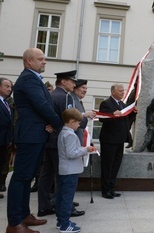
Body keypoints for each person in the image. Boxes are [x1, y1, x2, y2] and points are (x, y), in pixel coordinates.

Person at [6, 48, 62, 233]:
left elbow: (43, 105)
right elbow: (41, 104)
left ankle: (24, 215)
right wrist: (58, 122)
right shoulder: (29, 78)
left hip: (36, 134)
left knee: (27, 177)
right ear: (29, 61)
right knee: (21, 177)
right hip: (30, 135)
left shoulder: (33, 78)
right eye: (40, 59)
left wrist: (52, 124)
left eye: (44, 59)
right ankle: (14, 223)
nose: (44, 62)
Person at [38, 70, 85, 218]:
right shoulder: (65, 97)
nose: (74, 84)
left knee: (46, 175)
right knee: (62, 178)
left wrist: (53, 124)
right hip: (61, 141)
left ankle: (44, 207)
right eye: (71, 81)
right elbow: (69, 118)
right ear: (63, 82)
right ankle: (66, 208)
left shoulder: (51, 95)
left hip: (50, 140)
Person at [56, 108, 95, 233]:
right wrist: (86, 150)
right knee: (67, 198)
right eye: (78, 122)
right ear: (72, 121)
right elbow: (71, 153)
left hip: (64, 170)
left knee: (61, 197)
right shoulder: (70, 135)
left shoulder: (63, 132)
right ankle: (65, 225)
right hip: (70, 171)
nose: (79, 125)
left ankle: (61, 221)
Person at [99, 83, 131, 199]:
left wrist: (133, 113)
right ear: (113, 92)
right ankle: (105, 190)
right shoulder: (106, 103)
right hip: (109, 140)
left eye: (123, 91)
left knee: (116, 166)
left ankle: (111, 188)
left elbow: (126, 120)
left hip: (120, 140)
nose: (123, 93)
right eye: (120, 91)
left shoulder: (122, 104)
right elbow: (102, 118)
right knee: (107, 166)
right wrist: (112, 114)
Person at [69, 79, 96, 145]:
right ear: (75, 89)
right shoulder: (71, 99)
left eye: (86, 88)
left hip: (78, 137)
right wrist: (85, 115)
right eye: (83, 88)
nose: (85, 91)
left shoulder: (78, 100)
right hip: (73, 137)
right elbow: (71, 116)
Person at [0, 77, 13, 199]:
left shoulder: (6, 102)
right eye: (6, 86)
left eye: (10, 87)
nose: (9, 89)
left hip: (4, 141)